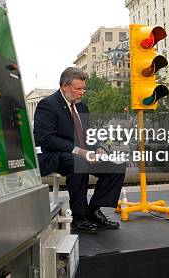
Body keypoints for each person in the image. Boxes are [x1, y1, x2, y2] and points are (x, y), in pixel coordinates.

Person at [33, 67, 125, 233]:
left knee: (117, 164)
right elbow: (45, 138)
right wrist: (78, 151)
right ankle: (79, 216)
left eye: (84, 88)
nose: (82, 92)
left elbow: (89, 135)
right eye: (78, 89)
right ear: (64, 86)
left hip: (82, 154)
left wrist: (98, 148)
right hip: (55, 156)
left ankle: (93, 210)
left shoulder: (82, 107)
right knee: (78, 162)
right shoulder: (47, 105)